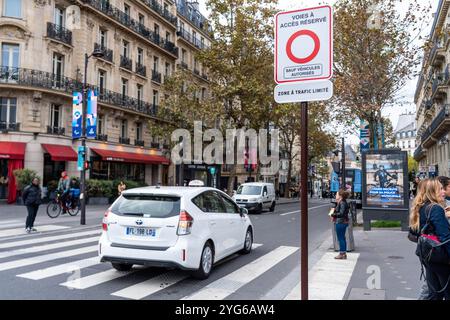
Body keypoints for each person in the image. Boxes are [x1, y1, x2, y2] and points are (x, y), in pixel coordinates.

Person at [410, 178, 450, 300]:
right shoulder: (435, 208)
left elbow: (415, 232)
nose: (443, 192)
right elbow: (446, 237)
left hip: (427, 256)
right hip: (441, 258)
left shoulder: (421, 207)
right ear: (433, 191)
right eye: (440, 189)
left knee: (434, 294)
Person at [331, 189, 350, 260]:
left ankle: (342, 254)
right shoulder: (342, 202)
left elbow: (341, 213)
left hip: (340, 222)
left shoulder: (342, 203)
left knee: (340, 238)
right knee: (342, 238)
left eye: (336, 194)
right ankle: (343, 253)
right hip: (343, 222)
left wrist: (333, 214)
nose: (336, 195)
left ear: (340, 196)